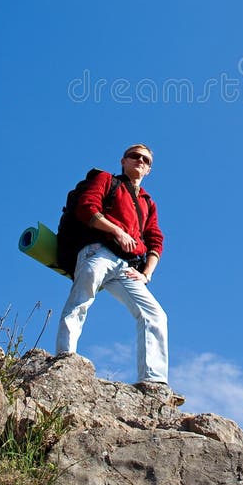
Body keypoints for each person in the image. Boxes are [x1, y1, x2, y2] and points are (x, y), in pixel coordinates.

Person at [55, 144, 184, 405]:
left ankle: (154, 382)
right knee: (81, 299)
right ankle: (64, 359)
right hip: (97, 251)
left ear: (149, 169)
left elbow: (155, 239)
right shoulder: (107, 180)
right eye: (134, 156)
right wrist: (117, 231)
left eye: (145, 160)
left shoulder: (148, 202)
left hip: (127, 268)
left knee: (155, 314)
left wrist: (146, 274)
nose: (139, 160)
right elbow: (86, 207)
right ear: (123, 161)